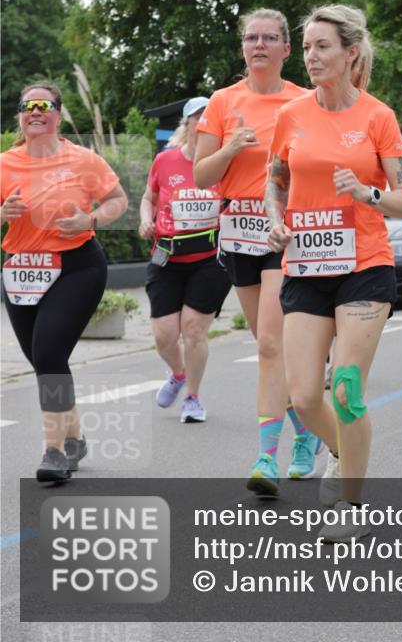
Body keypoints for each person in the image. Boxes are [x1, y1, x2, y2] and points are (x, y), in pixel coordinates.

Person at [265, 4, 402, 539]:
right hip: (306, 265)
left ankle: (351, 505)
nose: (311, 56)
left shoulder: (378, 117)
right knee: (305, 397)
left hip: (365, 265)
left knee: (346, 389)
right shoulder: (291, 115)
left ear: (351, 53)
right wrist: (275, 220)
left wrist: (368, 193)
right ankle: (340, 449)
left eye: (322, 46)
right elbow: (275, 181)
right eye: (306, 47)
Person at [194, 9, 319, 492]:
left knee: (269, 343)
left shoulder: (304, 101)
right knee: (270, 347)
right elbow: (201, 175)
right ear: (243, 47)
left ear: (287, 49)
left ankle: (266, 458)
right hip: (237, 233)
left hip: (282, 234)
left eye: (270, 38)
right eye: (251, 37)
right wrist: (230, 148)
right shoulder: (223, 102)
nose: (259, 44)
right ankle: (305, 431)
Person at [0, 81, 128, 482]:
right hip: (22, 271)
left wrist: (91, 219)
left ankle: (53, 452)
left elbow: (118, 200)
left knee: (50, 354)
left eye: (44, 105)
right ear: (20, 116)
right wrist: (3, 213)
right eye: (28, 106)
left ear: (57, 114)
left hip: (76, 267)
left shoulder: (83, 160)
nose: (35, 111)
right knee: (45, 361)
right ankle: (74, 438)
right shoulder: (4, 163)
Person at [139, 97, 231, 423]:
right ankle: (178, 374)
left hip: (210, 258)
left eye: (209, 119)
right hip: (167, 257)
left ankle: (192, 397)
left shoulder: (225, 163)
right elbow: (148, 198)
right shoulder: (165, 160)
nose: (202, 124)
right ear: (187, 124)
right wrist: (145, 220)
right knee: (164, 336)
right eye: (197, 119)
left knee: (193, 330)